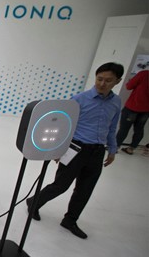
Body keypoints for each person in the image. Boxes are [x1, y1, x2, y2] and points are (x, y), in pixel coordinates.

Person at [28, 62, 124, 239]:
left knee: (85, 189)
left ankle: (70, 220)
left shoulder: (116, 102)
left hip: (97, 151)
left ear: (117, 81)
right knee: (61, 185)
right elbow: (65, 125)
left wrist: (112, 149)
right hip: (76, 149)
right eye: (99, 79)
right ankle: (34, 202)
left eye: (108, 80)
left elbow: (112, 128)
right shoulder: (79, 99)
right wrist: (58, 149)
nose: (102, 84)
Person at [116, 69, 148, 155]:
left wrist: (130, 81)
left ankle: (115, 147)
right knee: (139, 129)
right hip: (146, 110)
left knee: (124, 129)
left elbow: (129, 86)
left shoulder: (144, 74)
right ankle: (131, 148)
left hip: (133, 107)